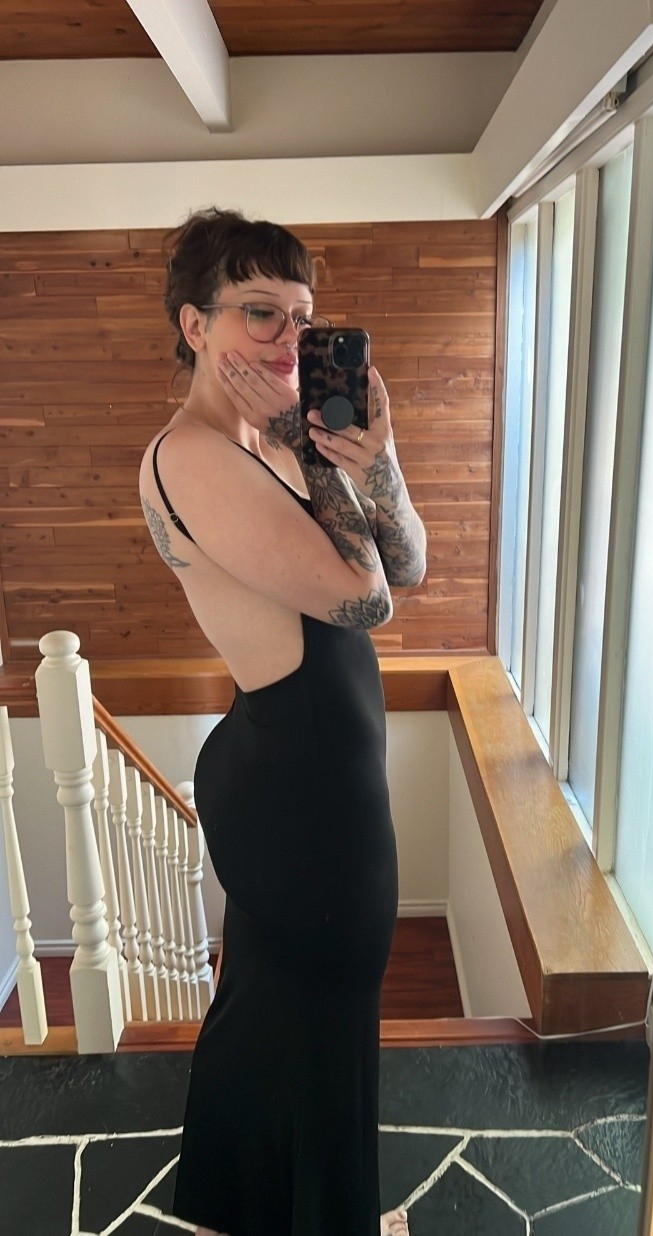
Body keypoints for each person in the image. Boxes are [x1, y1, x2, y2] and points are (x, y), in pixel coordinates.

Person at [139, 207, 426, 1236]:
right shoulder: (193, 456)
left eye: (300, 316)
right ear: (195, 324)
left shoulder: (263, 443)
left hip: (311, 774)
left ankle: (238, 1207)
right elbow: (364, 600)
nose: (286, 338)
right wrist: (321, 459)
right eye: (259, 311)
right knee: (319, 1020)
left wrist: (375, 456)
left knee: (277, 1014)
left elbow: (408, 562)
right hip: (300, 792)